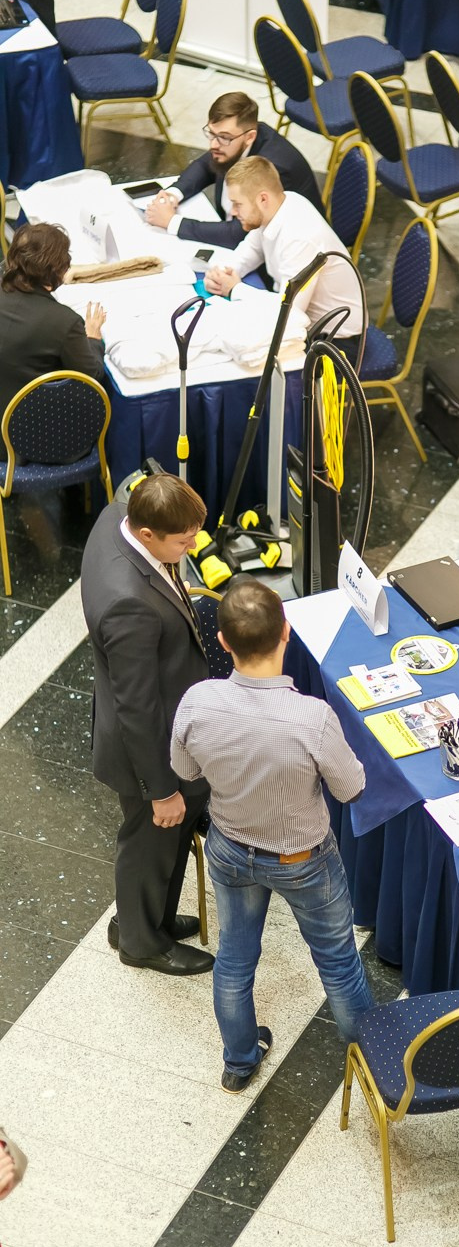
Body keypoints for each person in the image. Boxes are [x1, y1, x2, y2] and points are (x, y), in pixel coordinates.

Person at [170, 577, 373, 1093]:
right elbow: (351, 789)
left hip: (230, 851)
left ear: (222, 641)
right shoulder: (313, 717)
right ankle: (370, 1068)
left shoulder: (196, 702)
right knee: (339, 965)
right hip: (304, 859)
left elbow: (185, 771)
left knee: (235, 960)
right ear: (287, 632)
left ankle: (239, 1061)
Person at [80, 474, 214, 976]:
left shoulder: (117, 515)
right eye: (183, 540)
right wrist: (162, 789)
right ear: (148, 535)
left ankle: (146, 918)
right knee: (153, 835)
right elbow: (138, 709)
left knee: (150, 842)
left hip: (152, 712)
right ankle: (140, 942)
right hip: (147, 747)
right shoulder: (129, 605)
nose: (194, 545)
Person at [203, 156, 364, 342]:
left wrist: (234, 289)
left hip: (336, 339)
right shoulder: (280, 204)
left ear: (263, 198)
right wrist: (222, 273)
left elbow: (289, 312)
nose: (232, 212)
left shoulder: (300, 237)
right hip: (305, 321)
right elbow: (251, 248)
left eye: (238, 204)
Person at [144, 92, 323, 249]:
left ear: (250, 136)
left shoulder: (272, 168)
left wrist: (172, 222)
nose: (213, 144)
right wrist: (173, 195)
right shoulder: (235, 141)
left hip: (283, 256)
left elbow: (240, 233)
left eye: (223, 138)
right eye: (211, 134)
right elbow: (205, 165)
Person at [0, 224, 105, 452]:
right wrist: (93, 338)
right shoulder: (64, 322)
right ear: (57, 269)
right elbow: (92, 379)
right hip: (33, 442)